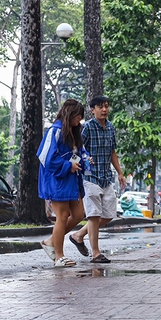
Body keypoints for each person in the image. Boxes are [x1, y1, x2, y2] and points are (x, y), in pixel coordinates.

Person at [69, 96, 127, 263]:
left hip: (106, 177)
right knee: (94, 215)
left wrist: (120, 172)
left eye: (107, 106)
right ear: (92, 110)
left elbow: (112, 152)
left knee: (109, 214)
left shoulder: (111, 128)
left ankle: (79, 235)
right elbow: (77, 148)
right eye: (100, 107)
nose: (104, 110)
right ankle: (96, 253)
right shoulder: (86, 128)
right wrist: (74, 164)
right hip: (90, 176)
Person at [37, 99, 88, 267]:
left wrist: (85, 161)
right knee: (62, 216)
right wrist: (68, 166)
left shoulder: (74, 132)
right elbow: (45, 158)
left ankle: (52, 241)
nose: (79, 120)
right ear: (70, 115)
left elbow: (80, 152)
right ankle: (59, 256)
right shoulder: (55, 131)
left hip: (72, 180)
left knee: (79, 214)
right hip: (58, 181)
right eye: (77, 117)